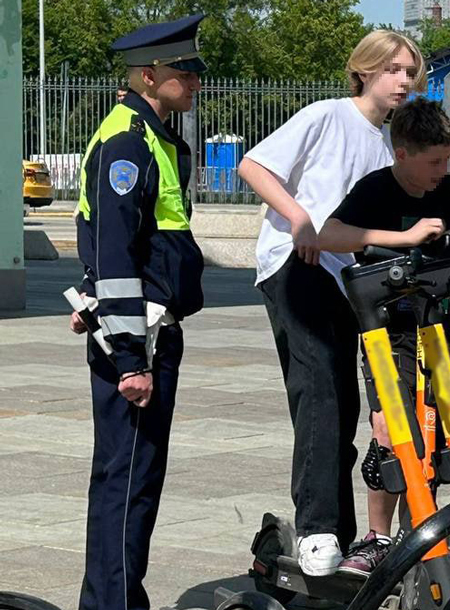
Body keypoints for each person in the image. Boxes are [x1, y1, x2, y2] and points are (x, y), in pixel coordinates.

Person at [237, 30, 425, 577]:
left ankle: (336, 538)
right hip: (296, 263)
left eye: (410, 72)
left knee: (342, 403)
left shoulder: (388, 144)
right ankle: (318, 530)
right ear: (364, 69)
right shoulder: (327, 115)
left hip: (349, 280)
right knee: (319, 385)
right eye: (393, 69)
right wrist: (298, 217)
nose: (403, 81)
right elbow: (254, 165)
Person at [69, 14, 207, 610]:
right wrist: (129, 357)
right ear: (150, 76)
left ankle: (117, 599)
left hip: (144, 332)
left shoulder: (147, 134)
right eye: (186, 70)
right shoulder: (128, 142)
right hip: (139, 340)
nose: (197, 79)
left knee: (134, 483)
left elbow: (110, 244)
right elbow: (118, 252)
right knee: (126, 485)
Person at [317, 97, 450, 574]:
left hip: (435, 323)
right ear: (401, 154)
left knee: (447, 431)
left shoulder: (441, 187)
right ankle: (377, 537)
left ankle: (421, 529)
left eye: (446, 160)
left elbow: (449, 229)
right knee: (392, 432)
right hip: (389, 332)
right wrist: (404, 239)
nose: (441, 171)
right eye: (432, 162)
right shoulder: (376, 190)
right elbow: (328, 235)